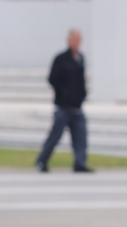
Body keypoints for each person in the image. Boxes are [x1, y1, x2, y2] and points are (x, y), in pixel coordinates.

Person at [36, 29, 91, 173]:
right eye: (74, 39)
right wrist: (64, 92)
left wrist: (83, 94)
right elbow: (52, 78)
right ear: (69, 40)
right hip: (63, 106)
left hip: (77, 106)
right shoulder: (61, 59)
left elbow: (81, 80)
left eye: (78, 40)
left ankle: (80, 163)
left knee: (81, 136)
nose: (76, 43)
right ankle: (42, 161)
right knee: (55, 135)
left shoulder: (80, 58)